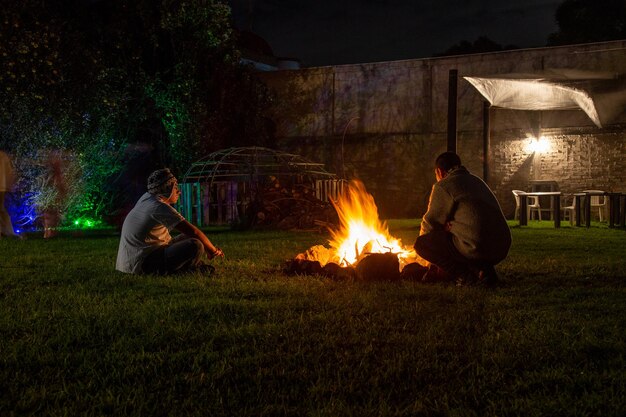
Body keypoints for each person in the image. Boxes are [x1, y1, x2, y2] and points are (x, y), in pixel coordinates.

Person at [414, 152, 511, 286]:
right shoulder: (477, 181)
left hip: (475, 246)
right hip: (501, 246)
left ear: (439, 172)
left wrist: (428, 258)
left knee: (422, 244)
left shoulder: (444, 185)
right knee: (467, 239)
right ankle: (485, 271)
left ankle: (464, 276)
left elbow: (430, 223)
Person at [116, 168, 224, 275]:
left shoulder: (147, 198)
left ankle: (191, 267)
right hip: (143, 263)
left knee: (191, 238)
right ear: (167, 189)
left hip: (134, 260)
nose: (179, 192)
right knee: (195, 245)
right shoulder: (158, 206)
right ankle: (188, 269)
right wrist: (212, 251)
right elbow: (193, 231)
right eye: (175, 187)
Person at [0, 150, 21, 239]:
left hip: (2, 186)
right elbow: (9, 172)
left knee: (1, 208)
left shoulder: (2, 155)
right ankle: (8, 231)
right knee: (1, 208)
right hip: (2, 186)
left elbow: (9, 172)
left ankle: (7, 231)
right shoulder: (3, 155)